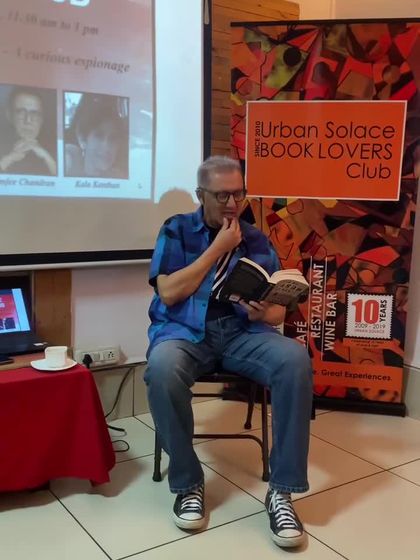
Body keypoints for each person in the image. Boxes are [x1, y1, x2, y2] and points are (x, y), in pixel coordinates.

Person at [145, 155, 313, 548]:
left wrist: (263, 310)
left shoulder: (256, 239)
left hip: (241, 332)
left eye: (239, 194)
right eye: (222, 195)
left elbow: (276, 312)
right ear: (200, 194)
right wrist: (217, 249)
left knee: (294, 360)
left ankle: (282, 492)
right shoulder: (176, 230)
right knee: (163, 368)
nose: (233, 203)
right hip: (185, 332)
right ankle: (188, 484)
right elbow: (168, 292)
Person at [64, 93, 128, 179]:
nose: (106, 146)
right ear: (82, 140)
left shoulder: (121, 178)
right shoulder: (69, 165)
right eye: (99, 136)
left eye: (112, 139)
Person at [0, 87, 57, 176]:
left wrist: (47, 158)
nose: (28, 120)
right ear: (9, 116)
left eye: (35, 113)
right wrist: (8, 159)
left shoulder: (56, 150)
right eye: (21, 112)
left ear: (42, 119)